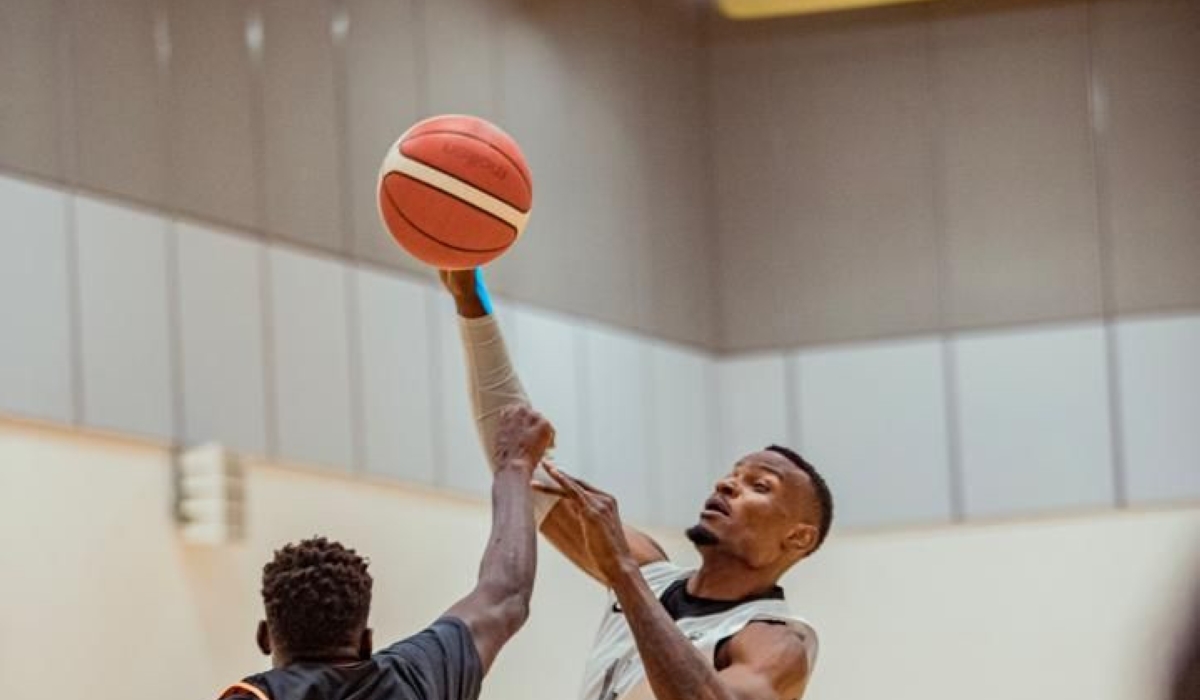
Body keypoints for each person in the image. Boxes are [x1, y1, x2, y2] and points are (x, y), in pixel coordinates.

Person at [442, 269, 833, 700]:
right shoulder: (652, 574)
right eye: (732, 474)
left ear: (798, 537)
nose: (726, 485)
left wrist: (623, 574)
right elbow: (521, 467)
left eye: (759, 485)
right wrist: (472, 307)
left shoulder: (777, 642)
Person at [217, 405, 555, 700]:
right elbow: (505, 596)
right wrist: (515, 465)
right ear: (365, 642)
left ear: (265, 638)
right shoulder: (416, 678)